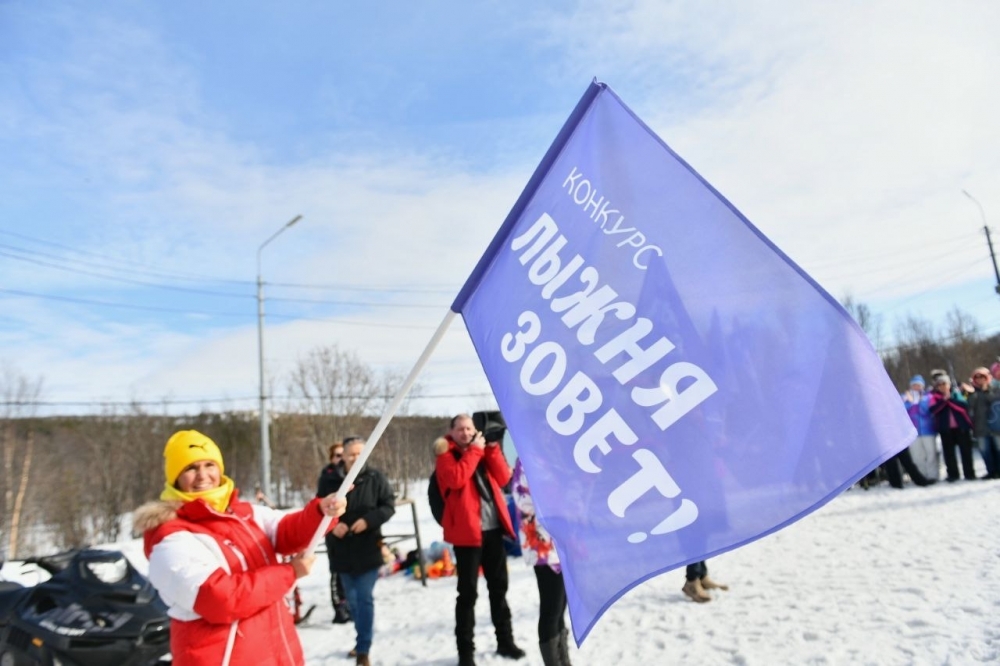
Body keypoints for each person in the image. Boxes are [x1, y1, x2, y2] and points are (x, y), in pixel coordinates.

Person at [133, 430, 346, 666]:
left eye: (209, 465)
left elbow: (286, 531)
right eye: (190, 468)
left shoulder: (242, 513)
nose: (203, 475)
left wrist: (320, 512)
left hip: (277, 652)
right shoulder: (169, 538)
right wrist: (289, 573)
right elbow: (220, 599)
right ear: (175, 478)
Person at [435, 414, 524, 666]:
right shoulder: (445, 455)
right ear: (451, 432)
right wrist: (475, 451)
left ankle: (505, 641)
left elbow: (504, 478)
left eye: (469, 429)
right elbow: (456, 478)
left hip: (493, 530)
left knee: (499, 589)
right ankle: (466, 653)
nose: (465, 433)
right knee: (467, 595)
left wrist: (492, 447)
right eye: (460, 429)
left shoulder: (481, 449)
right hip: (466, 536)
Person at [324, 436, 396, 666]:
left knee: (363, 598)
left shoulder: (375, 478)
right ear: (342, 455)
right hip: (341, 549)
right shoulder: (329, 478)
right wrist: (335, 524)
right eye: (351, 454)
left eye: (360, 453)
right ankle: (360, 640)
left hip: (367, 547)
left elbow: (388, 505)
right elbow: (318, 507)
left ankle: (364, 648)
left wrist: (368, 520)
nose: (356, 458)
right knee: (352, 601)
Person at [510, 459, 572, 666]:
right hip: (543, 547)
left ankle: (564, 661)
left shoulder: (552, 457)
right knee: (551, 608)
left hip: (562, 543)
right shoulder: (526, 462)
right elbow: (523, 500)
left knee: (561, 605)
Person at [317, 440, 352, 624]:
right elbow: (321, 502)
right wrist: (334, 525)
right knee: (336, 570)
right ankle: (339, 608)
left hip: (349, 529)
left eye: (342, 455)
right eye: (337, 455)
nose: (341, 459)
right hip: (332, 530)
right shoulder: (326, 477)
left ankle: (349, 606)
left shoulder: (348, 475)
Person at [929, 375, 977, 481]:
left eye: (944, 384)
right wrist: (944, 401)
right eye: (940, 385)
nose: (942, 386)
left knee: (966, 451)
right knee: (949, 453)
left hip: (961, 427)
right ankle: (952, 474)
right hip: (945, 429)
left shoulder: (957, 393)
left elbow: (963, 406)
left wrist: (949, 400)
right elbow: (933, 410)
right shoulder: (934, 397)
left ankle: (969, 473)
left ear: (949, 384)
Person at [901, 375, 939, 481]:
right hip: (913, 432)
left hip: (928, 430)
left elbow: (928, 411)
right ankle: (921, 475)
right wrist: (910, 402)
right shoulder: (905, 397)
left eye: (918, 385)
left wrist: (920, 402)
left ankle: (933, 475)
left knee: (931, 454)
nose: (916, 387)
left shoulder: (928, 397)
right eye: (914, 385)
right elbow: (902, 412)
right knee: (917, 456)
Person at [966, 367, 1000, 479]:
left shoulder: (995, 389)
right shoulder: (972, 392)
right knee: (985, 451)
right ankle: (991, 471)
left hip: (996, 426)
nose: (980, 379)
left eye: (982, 377)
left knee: (998, 449)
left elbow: (994, 400)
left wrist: (986, 391)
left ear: (987, 378)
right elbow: (969, 406)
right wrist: (971, 394)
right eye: (977, 377)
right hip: (980, 426)